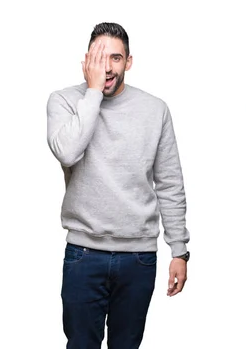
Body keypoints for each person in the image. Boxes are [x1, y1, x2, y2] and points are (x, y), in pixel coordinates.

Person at [46, 22, 190, 349]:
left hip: (138, 256)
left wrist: (179, 250)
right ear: (86, 60)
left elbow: (170, 183)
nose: (107, 67)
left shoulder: (155, 109)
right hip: (84, 253)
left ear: (128, 62)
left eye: (115, 58)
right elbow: (68, 151)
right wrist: (93, 91)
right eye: (99, 58)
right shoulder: (64, 101)